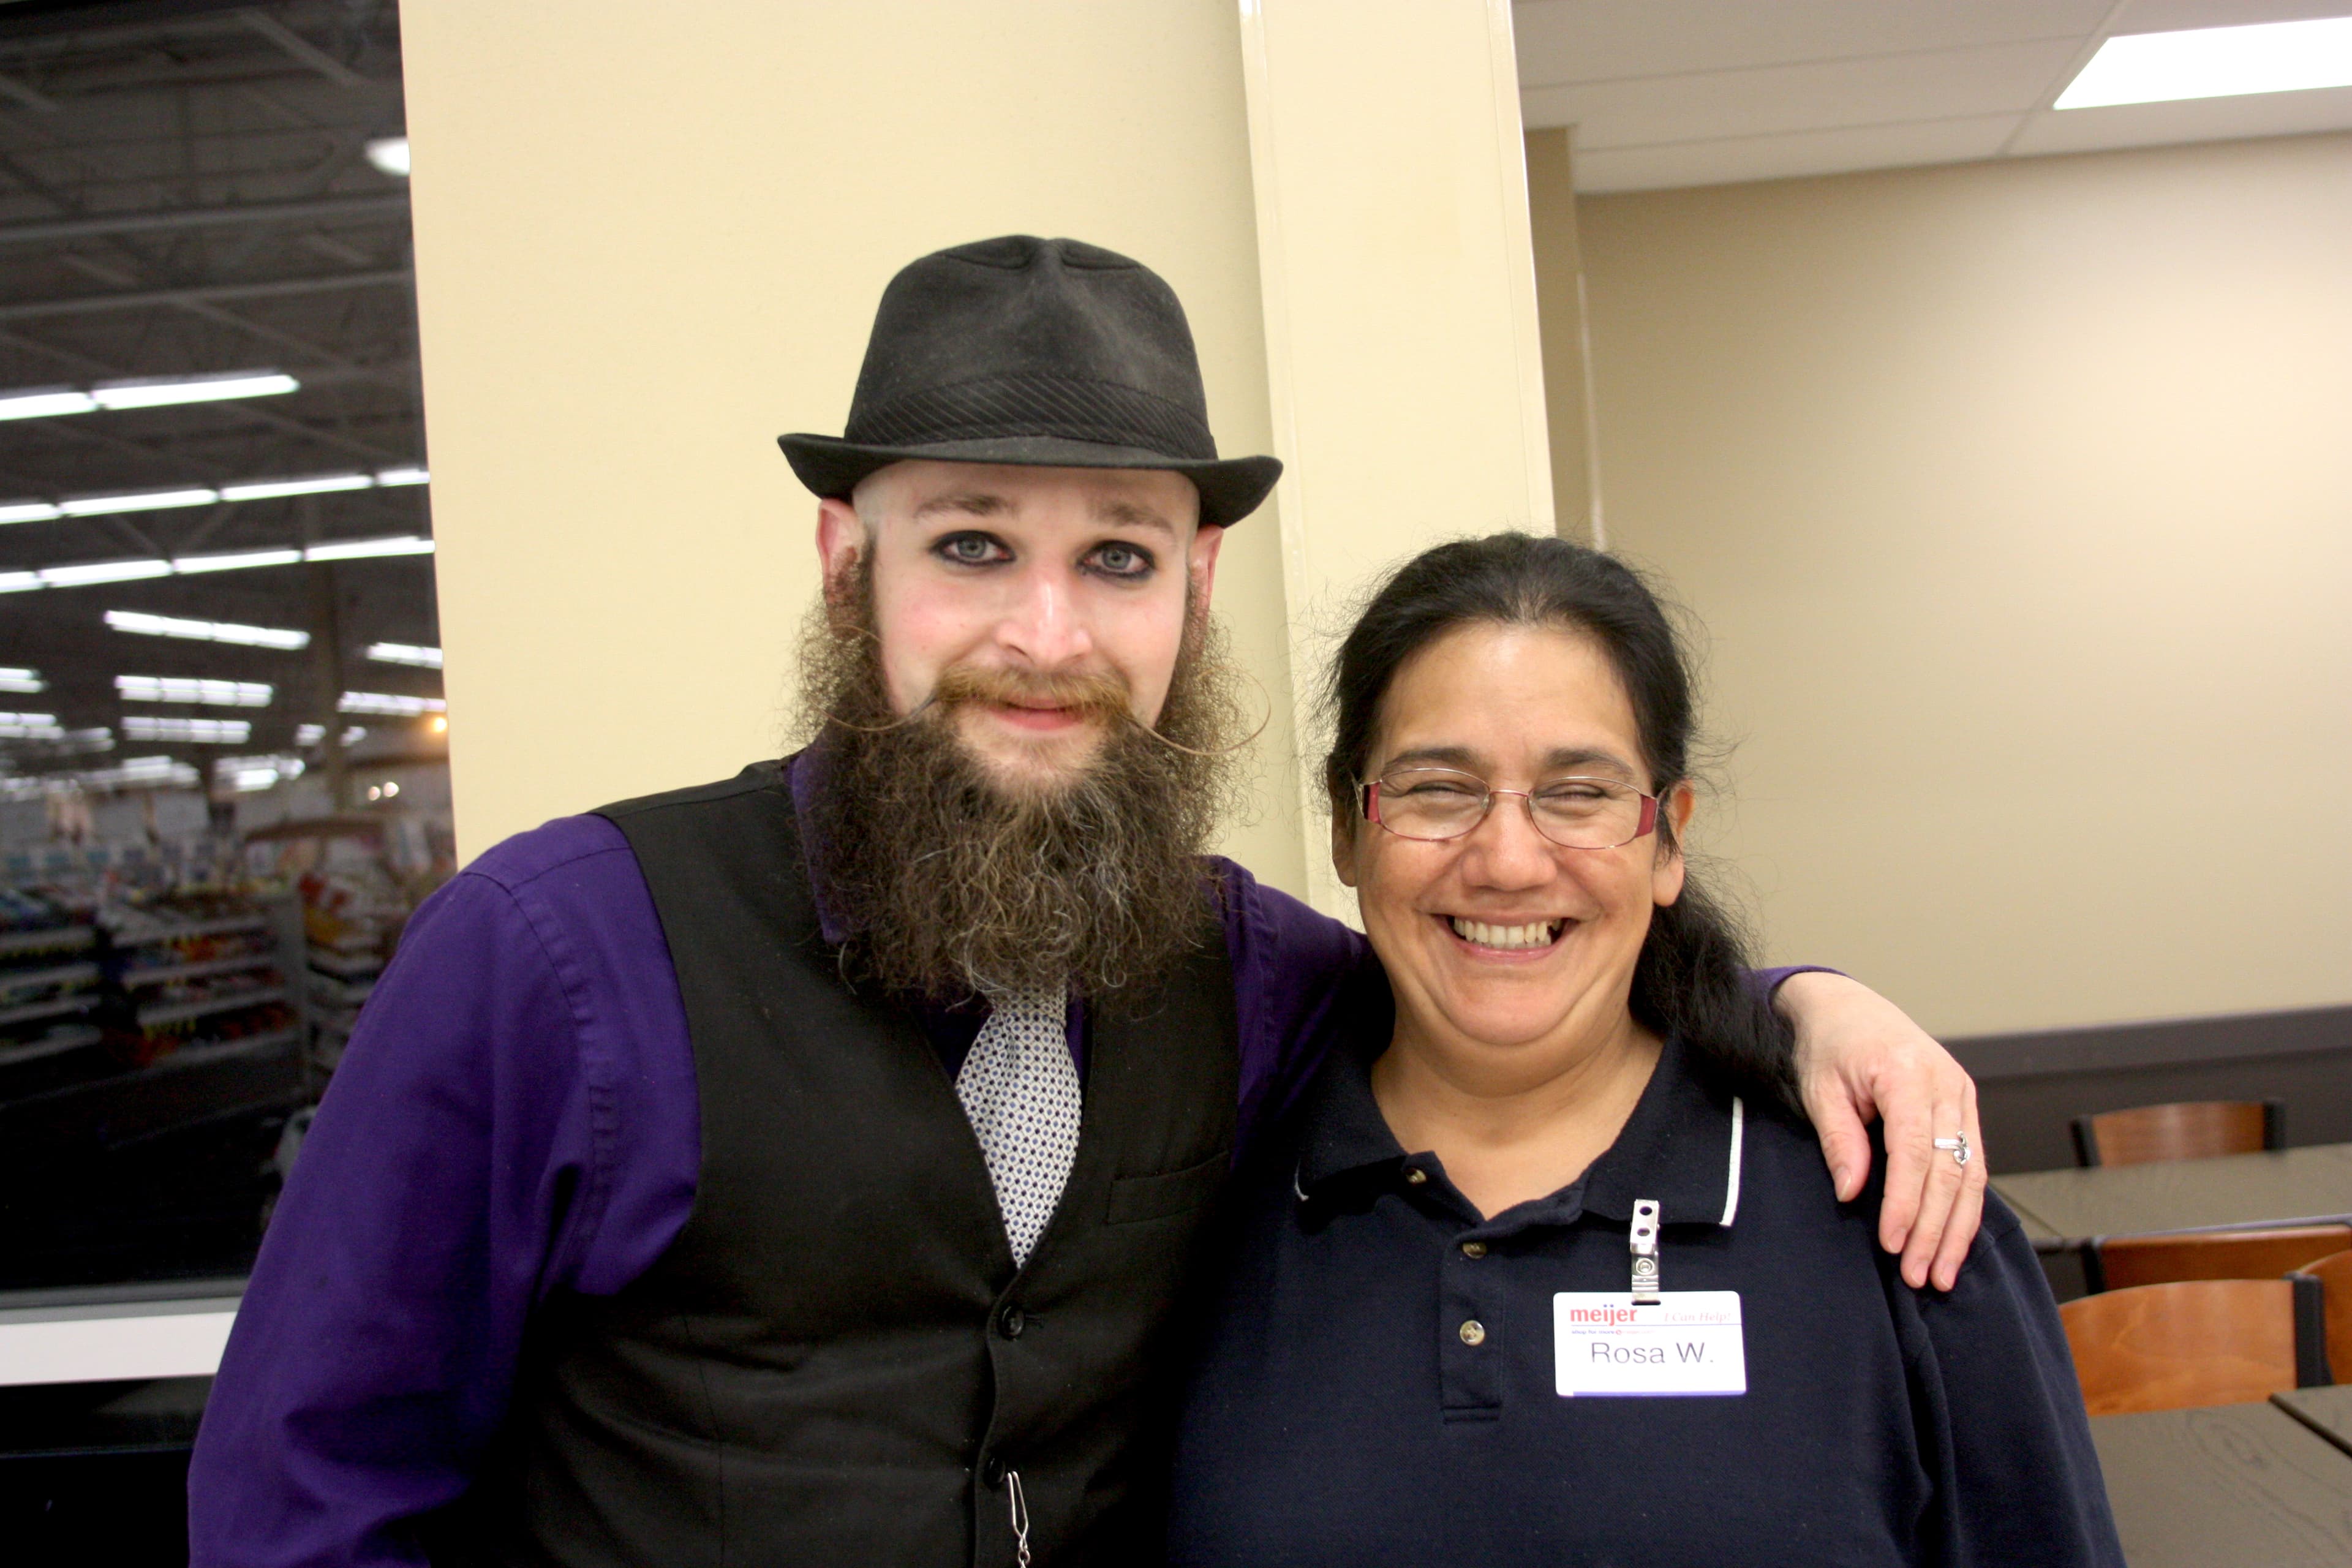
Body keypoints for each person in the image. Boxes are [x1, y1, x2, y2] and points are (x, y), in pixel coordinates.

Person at [189, 238, 1988, 1568]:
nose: (1046, 638)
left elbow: (1516, 948)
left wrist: (1800, 998)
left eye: (1115, 557)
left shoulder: (1263, 981)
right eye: (972, 542)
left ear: (1193, 592)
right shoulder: (550, 956)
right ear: (848, 563)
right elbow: (309, 1498)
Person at [1166, 533, 2122, 1567]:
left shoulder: (1894, 1208)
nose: (1509, 859)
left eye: (1578, 794)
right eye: (1438, 788)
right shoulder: (1202, 1201)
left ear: (1668, 838)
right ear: (1351, 830)